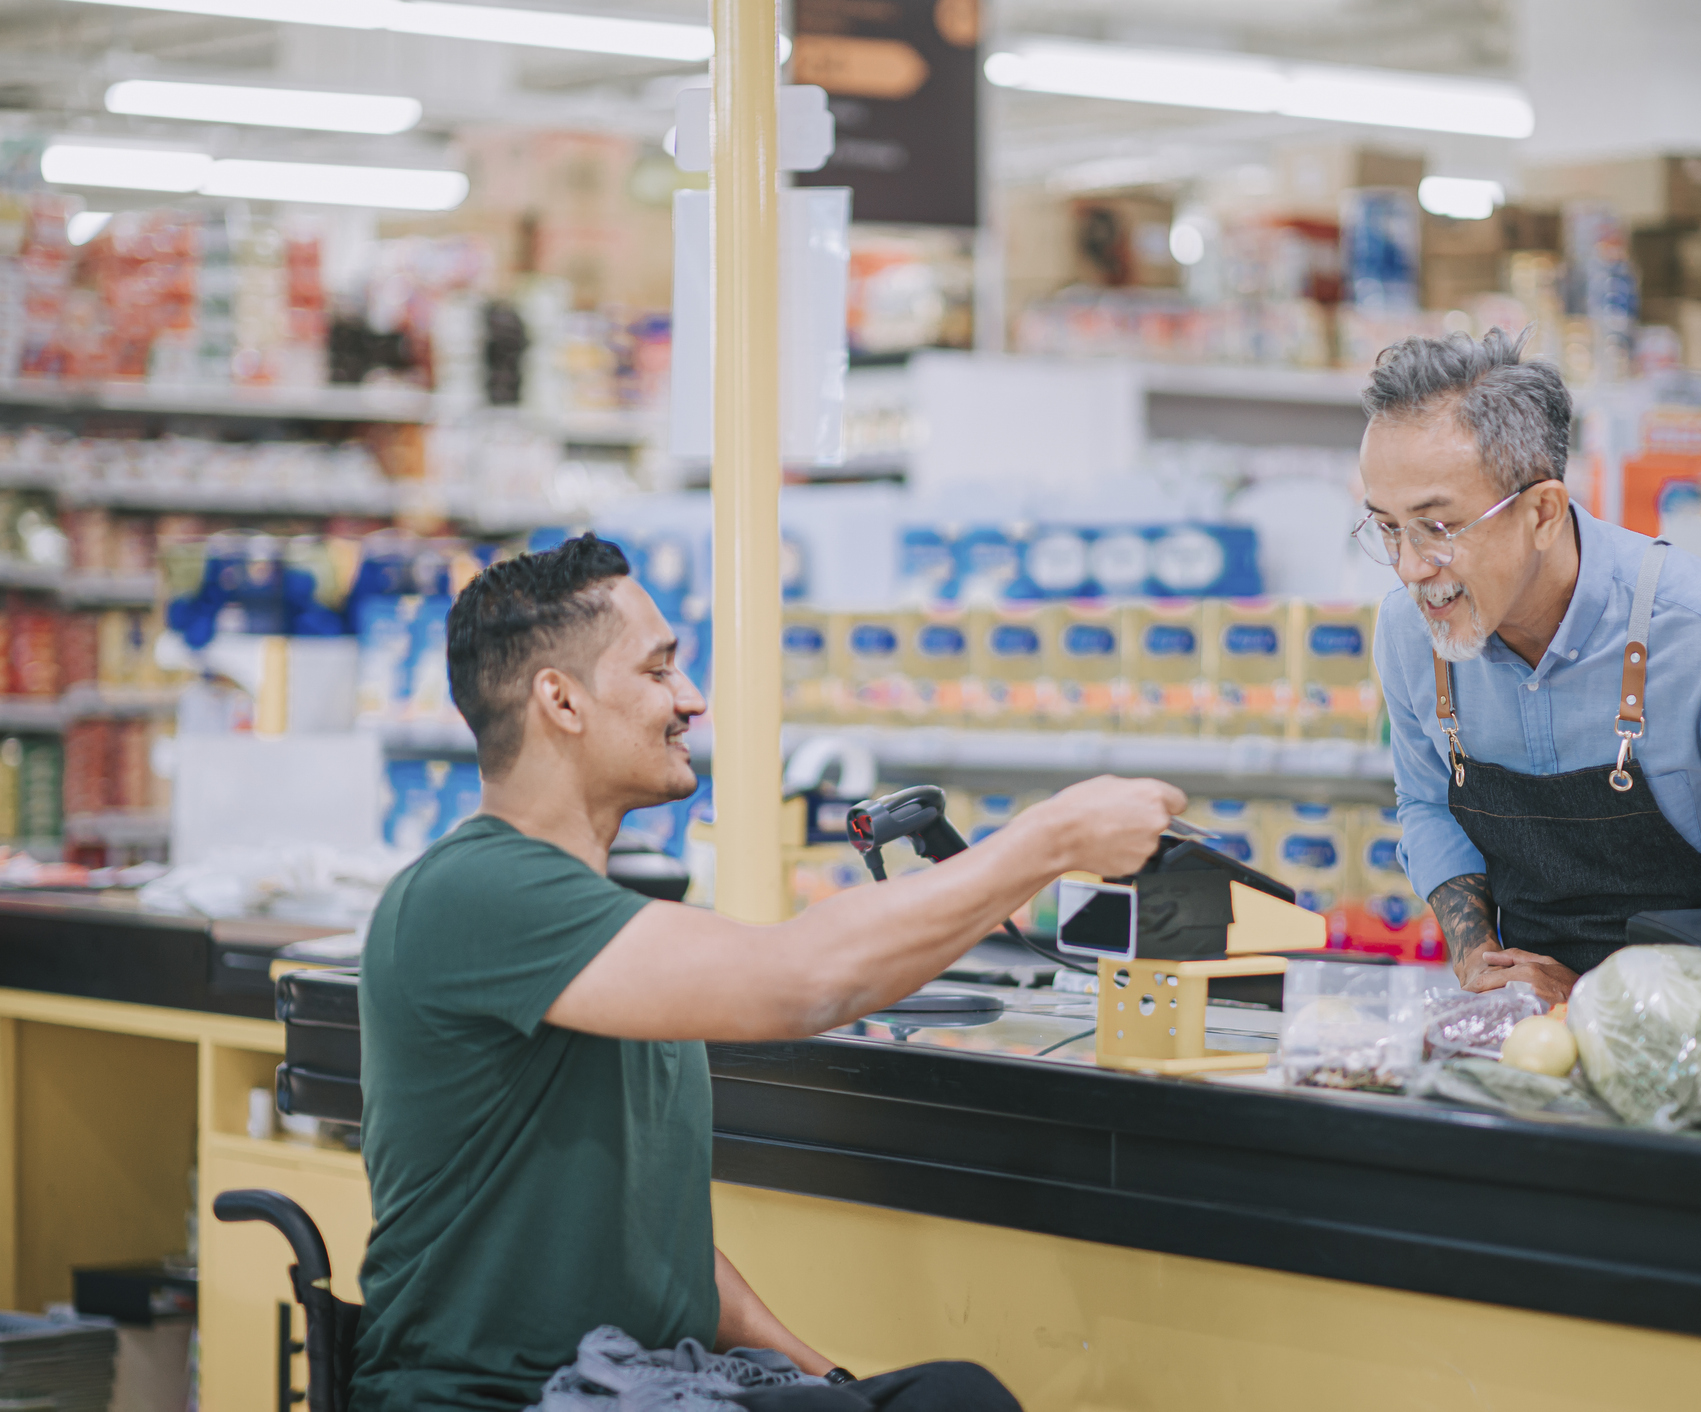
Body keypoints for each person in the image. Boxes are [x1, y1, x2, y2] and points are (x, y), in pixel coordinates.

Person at [350, 534, 1184, 1411]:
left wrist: (832, 1380)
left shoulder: (596, 920)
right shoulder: (475, 892)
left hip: (638, 1382)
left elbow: (650, 1251)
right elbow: (805, 979)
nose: (691, 699)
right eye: (660, 670)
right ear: (560, 699)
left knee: (946, 1394)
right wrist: (1051, 840)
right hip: (493, 1400)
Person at [1360, 330, 1701, 1005]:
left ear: (1542, 511)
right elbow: (1428, 803)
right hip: (1532, 1040)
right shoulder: (1409, 635)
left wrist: (1603, 1002)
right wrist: (1478, 957)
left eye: (1439, 527)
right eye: (1388, 528)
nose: (1409, 567)